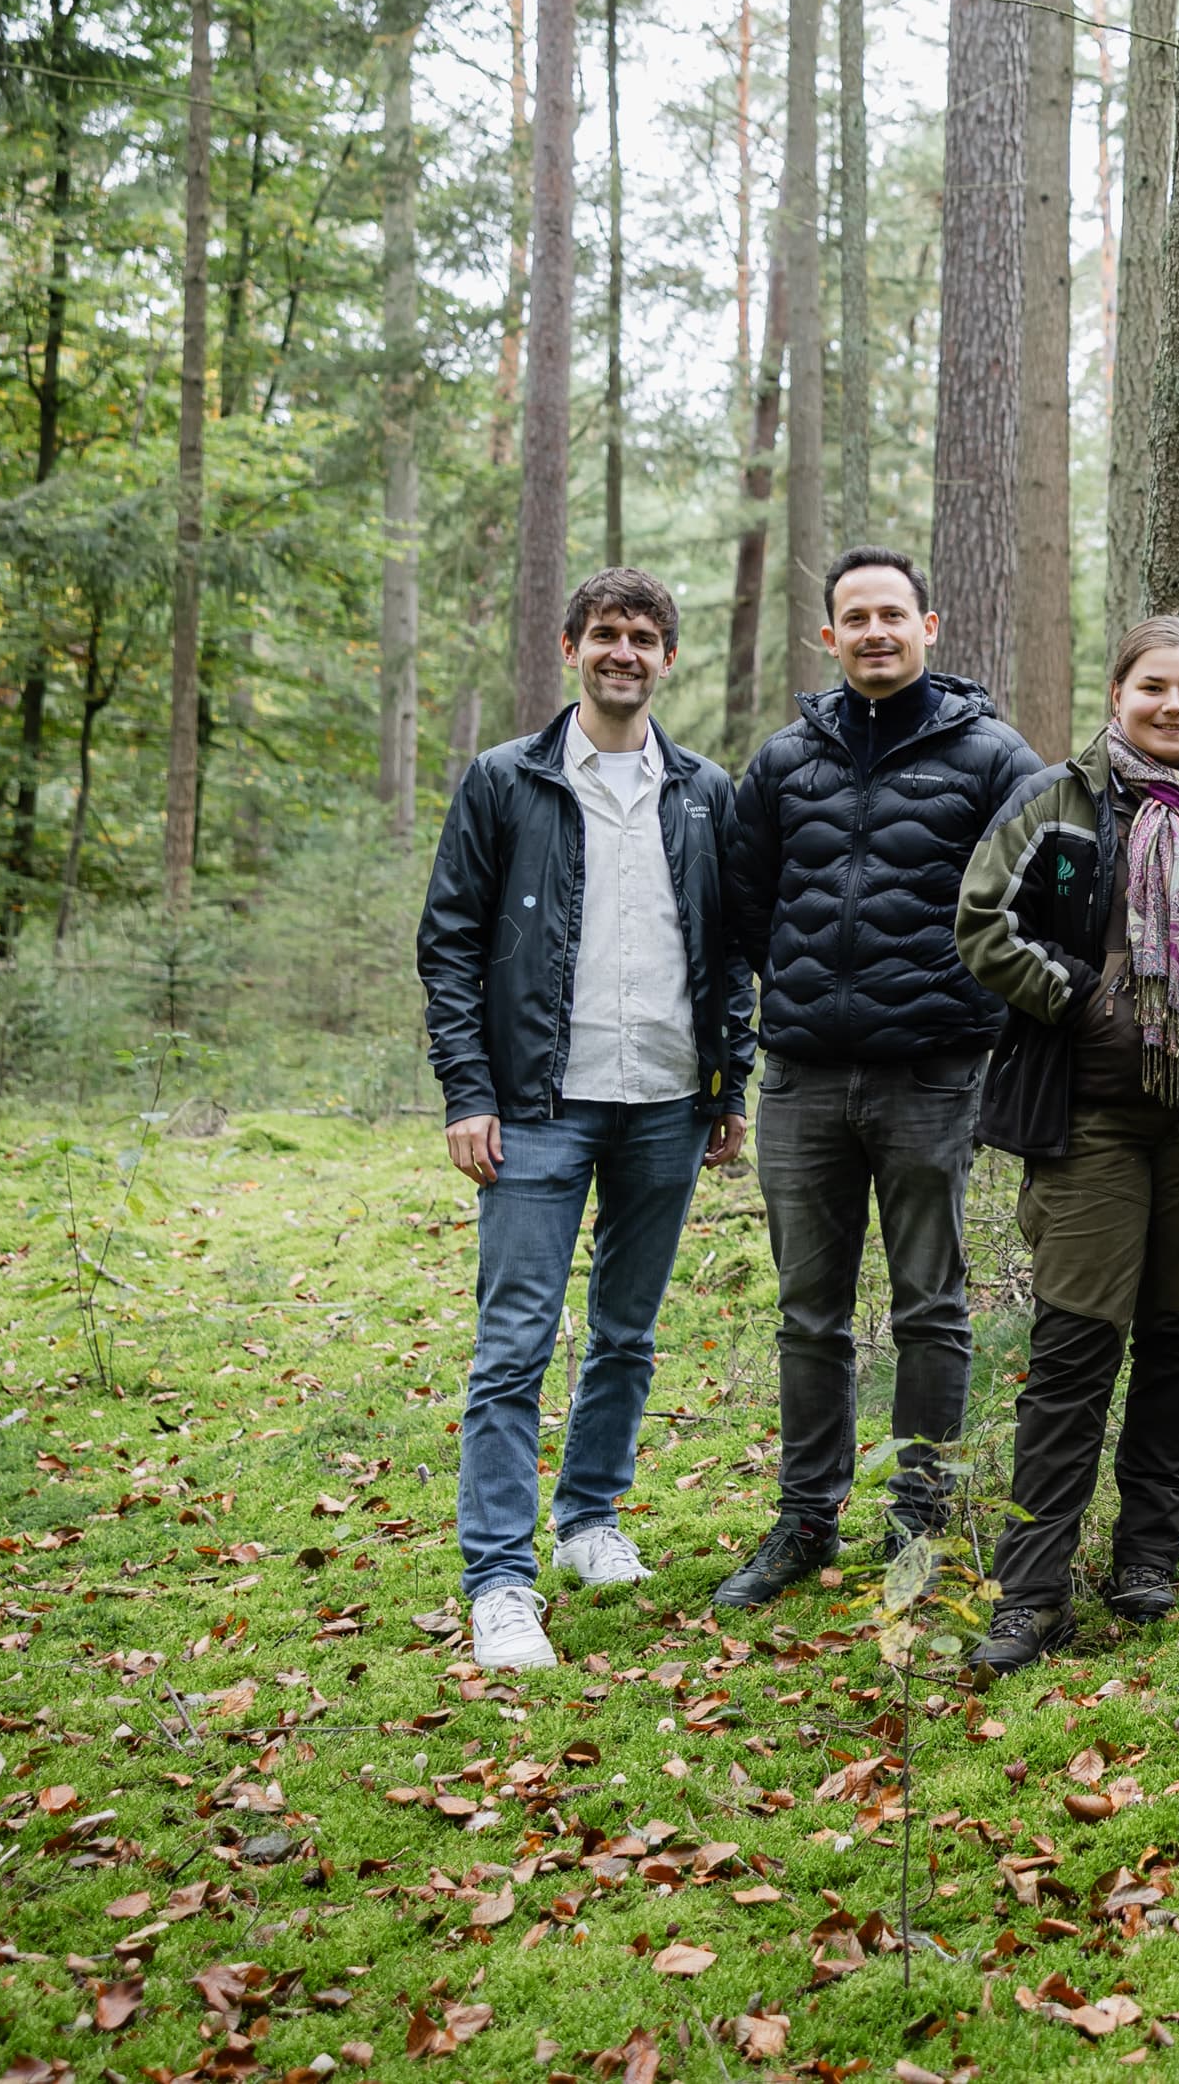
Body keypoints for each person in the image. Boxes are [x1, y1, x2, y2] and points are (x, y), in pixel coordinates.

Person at [952, 619, 1179, 1669]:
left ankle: (1146, 1557)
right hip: (1091, 1119)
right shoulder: (1058, 803)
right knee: (1074, 1351)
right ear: (1117, 692)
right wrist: (1076, 997)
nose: (1174, 706)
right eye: (1153, 687)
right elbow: (982, 920)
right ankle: (1030, 1596)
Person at [417, 568, 753, 1673]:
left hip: (664, 1101)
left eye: (645, 636)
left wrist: (726, 1087)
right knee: (514, 1344)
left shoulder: (706, 791)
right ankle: (499, 1582)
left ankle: (590, 1519)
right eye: (606, 633)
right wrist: (468, 1091)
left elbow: (731, 951)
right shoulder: (504, 781)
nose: (625, 651)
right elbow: (450, 942)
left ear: (667, 658)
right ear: (571, 648)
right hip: (535, 1107)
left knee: (626, 1332)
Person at [712, 545, 1045, 1610]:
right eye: (853, 617)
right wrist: (811, 993)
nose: (873, 632)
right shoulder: (783, 761)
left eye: (891, 614)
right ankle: (806, 1519)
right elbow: (745, 899)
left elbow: (1041, 899)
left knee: (929, 1308)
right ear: (828, 637)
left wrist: (961, 1004)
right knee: (808, 1311)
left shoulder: (995, 756)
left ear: (929, 625)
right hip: (803, 1077)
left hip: (932, 1076)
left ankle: (919, 1526)